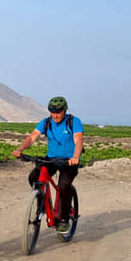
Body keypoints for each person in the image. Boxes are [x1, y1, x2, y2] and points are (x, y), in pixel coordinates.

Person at [12, 96, 84, 234]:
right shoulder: (46, 123)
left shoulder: (74, 121)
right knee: (34, 177)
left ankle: (64, 218)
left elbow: (78, 140)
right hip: (52, 159)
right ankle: (43, 204)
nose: (55, 115)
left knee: (63, 186)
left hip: (69, 161)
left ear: (65, 110)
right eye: (52, 112)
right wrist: (20, 149)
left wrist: (75, 157)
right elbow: (32, 137)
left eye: (58, 112)